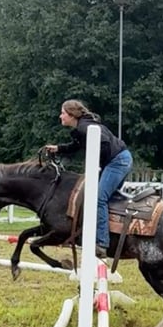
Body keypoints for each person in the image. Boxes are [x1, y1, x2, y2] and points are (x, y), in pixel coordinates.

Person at [45, 99, 133, 258]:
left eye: (63, 113)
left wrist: (96, 165)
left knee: (99, 199)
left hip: (117, 162)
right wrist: (58, 149)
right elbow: (76, 146)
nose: (60, 116)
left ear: (72, 115)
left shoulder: (85, 128)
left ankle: (102, 243)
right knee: (97, 196)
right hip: (118, 160)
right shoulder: (83, 128)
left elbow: (104, 143)